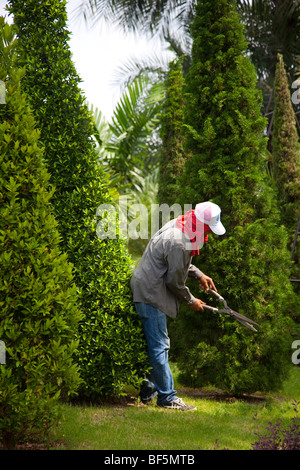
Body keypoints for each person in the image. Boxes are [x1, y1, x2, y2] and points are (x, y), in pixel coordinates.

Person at [130, 201, 226, 411]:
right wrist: (191, 301)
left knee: (154, 344)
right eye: (209, 228)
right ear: (202, 224)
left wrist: (199, 274)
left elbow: (177, 262)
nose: (209, 233)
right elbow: (174, 281)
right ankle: (167, 397)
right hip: (150, 292)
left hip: (148, 286)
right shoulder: (180, 240)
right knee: (160, 346)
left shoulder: (183, 224)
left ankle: (149, 390)